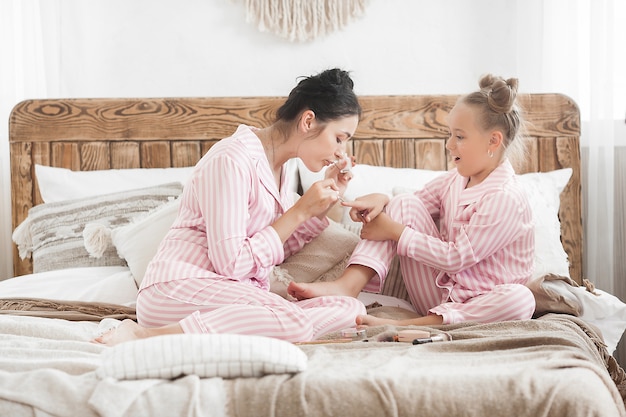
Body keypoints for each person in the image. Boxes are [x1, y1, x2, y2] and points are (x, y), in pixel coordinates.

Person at [94, 68, 366, 345]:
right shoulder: (232, 159)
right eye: (339, 138)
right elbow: (232, 263)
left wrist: (320, 206)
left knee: (352, 310)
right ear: (308, 121)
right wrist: (300, 210)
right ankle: (143, 334)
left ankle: (273, 321)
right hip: (179, 288)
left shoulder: (283, 169)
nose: (340, 153)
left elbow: (271, 248)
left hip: (234, 297)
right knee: (295, 323)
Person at [288, 74, 536, 327]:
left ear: (493, 141)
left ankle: (412, 324)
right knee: (404, 202)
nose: (449, 145)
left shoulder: (506, 197)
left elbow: (456, 258)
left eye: (460, 137)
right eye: (449, 134)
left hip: (481, 305)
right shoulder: (454, 181)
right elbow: (408, 206)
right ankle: (348, 284)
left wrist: (395, 231)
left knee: (522, 299)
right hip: (437, 292)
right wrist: (383, 200)